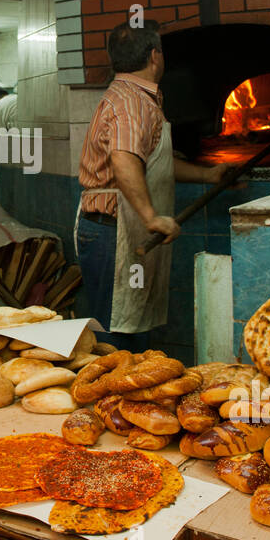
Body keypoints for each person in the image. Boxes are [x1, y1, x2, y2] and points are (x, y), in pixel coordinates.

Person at [74, 21, 225, 350]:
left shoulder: (134, 98)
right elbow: (125, 160)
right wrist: (151, 217)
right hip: (113, 232)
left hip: (116, 228)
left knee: (129, 324)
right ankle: (113, 399)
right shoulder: (132, 104)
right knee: (117, 333)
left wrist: (209, 175)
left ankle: (126, 398)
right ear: (155, 56)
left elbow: (152, 164)